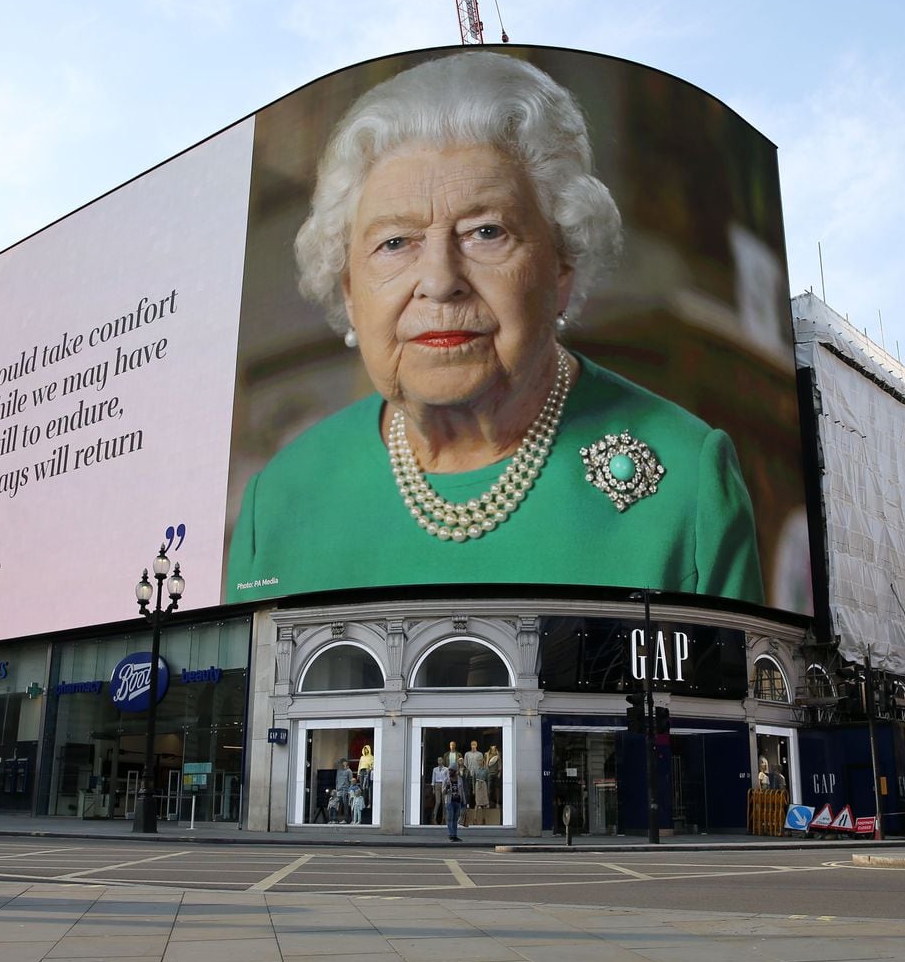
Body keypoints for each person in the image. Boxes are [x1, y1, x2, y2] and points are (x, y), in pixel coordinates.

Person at [227, 51, 763, 605]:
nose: (440, 281)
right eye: (395, 242)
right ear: (348, 290)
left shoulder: (688, 480)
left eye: (486, 232)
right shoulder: (279, 499)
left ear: (562, 265)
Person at [444, 764, 467, 841]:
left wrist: (464, 801)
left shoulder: (459, 779)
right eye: (449, 770)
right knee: (450, 818)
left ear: (455, 771)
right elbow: (443, 792)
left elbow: (462, 791)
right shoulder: (446, 779)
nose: (450, 772)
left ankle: (455, 835)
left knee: (455, 819)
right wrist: (446, 788)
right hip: (449, 801)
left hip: (457, 801)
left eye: (451, 770)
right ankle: (451, 835)